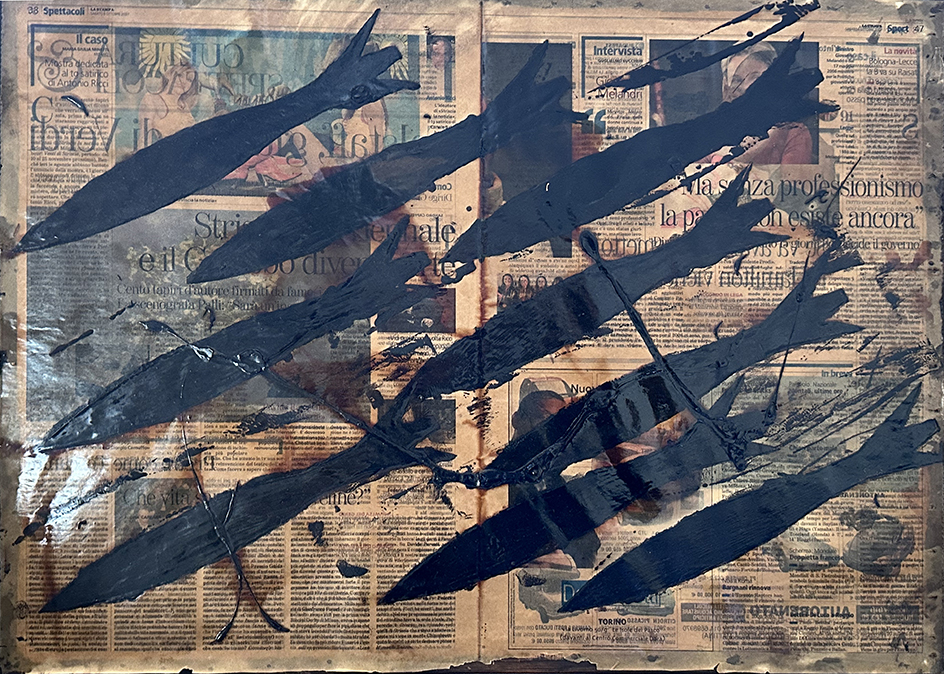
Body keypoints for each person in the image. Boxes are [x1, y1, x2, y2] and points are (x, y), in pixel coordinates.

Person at [720, 43, 813, 165]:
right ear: (726, 85)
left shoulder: (794, 133)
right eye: (736, 80)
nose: (746, 87)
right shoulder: (714, 128)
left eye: (756, 79)